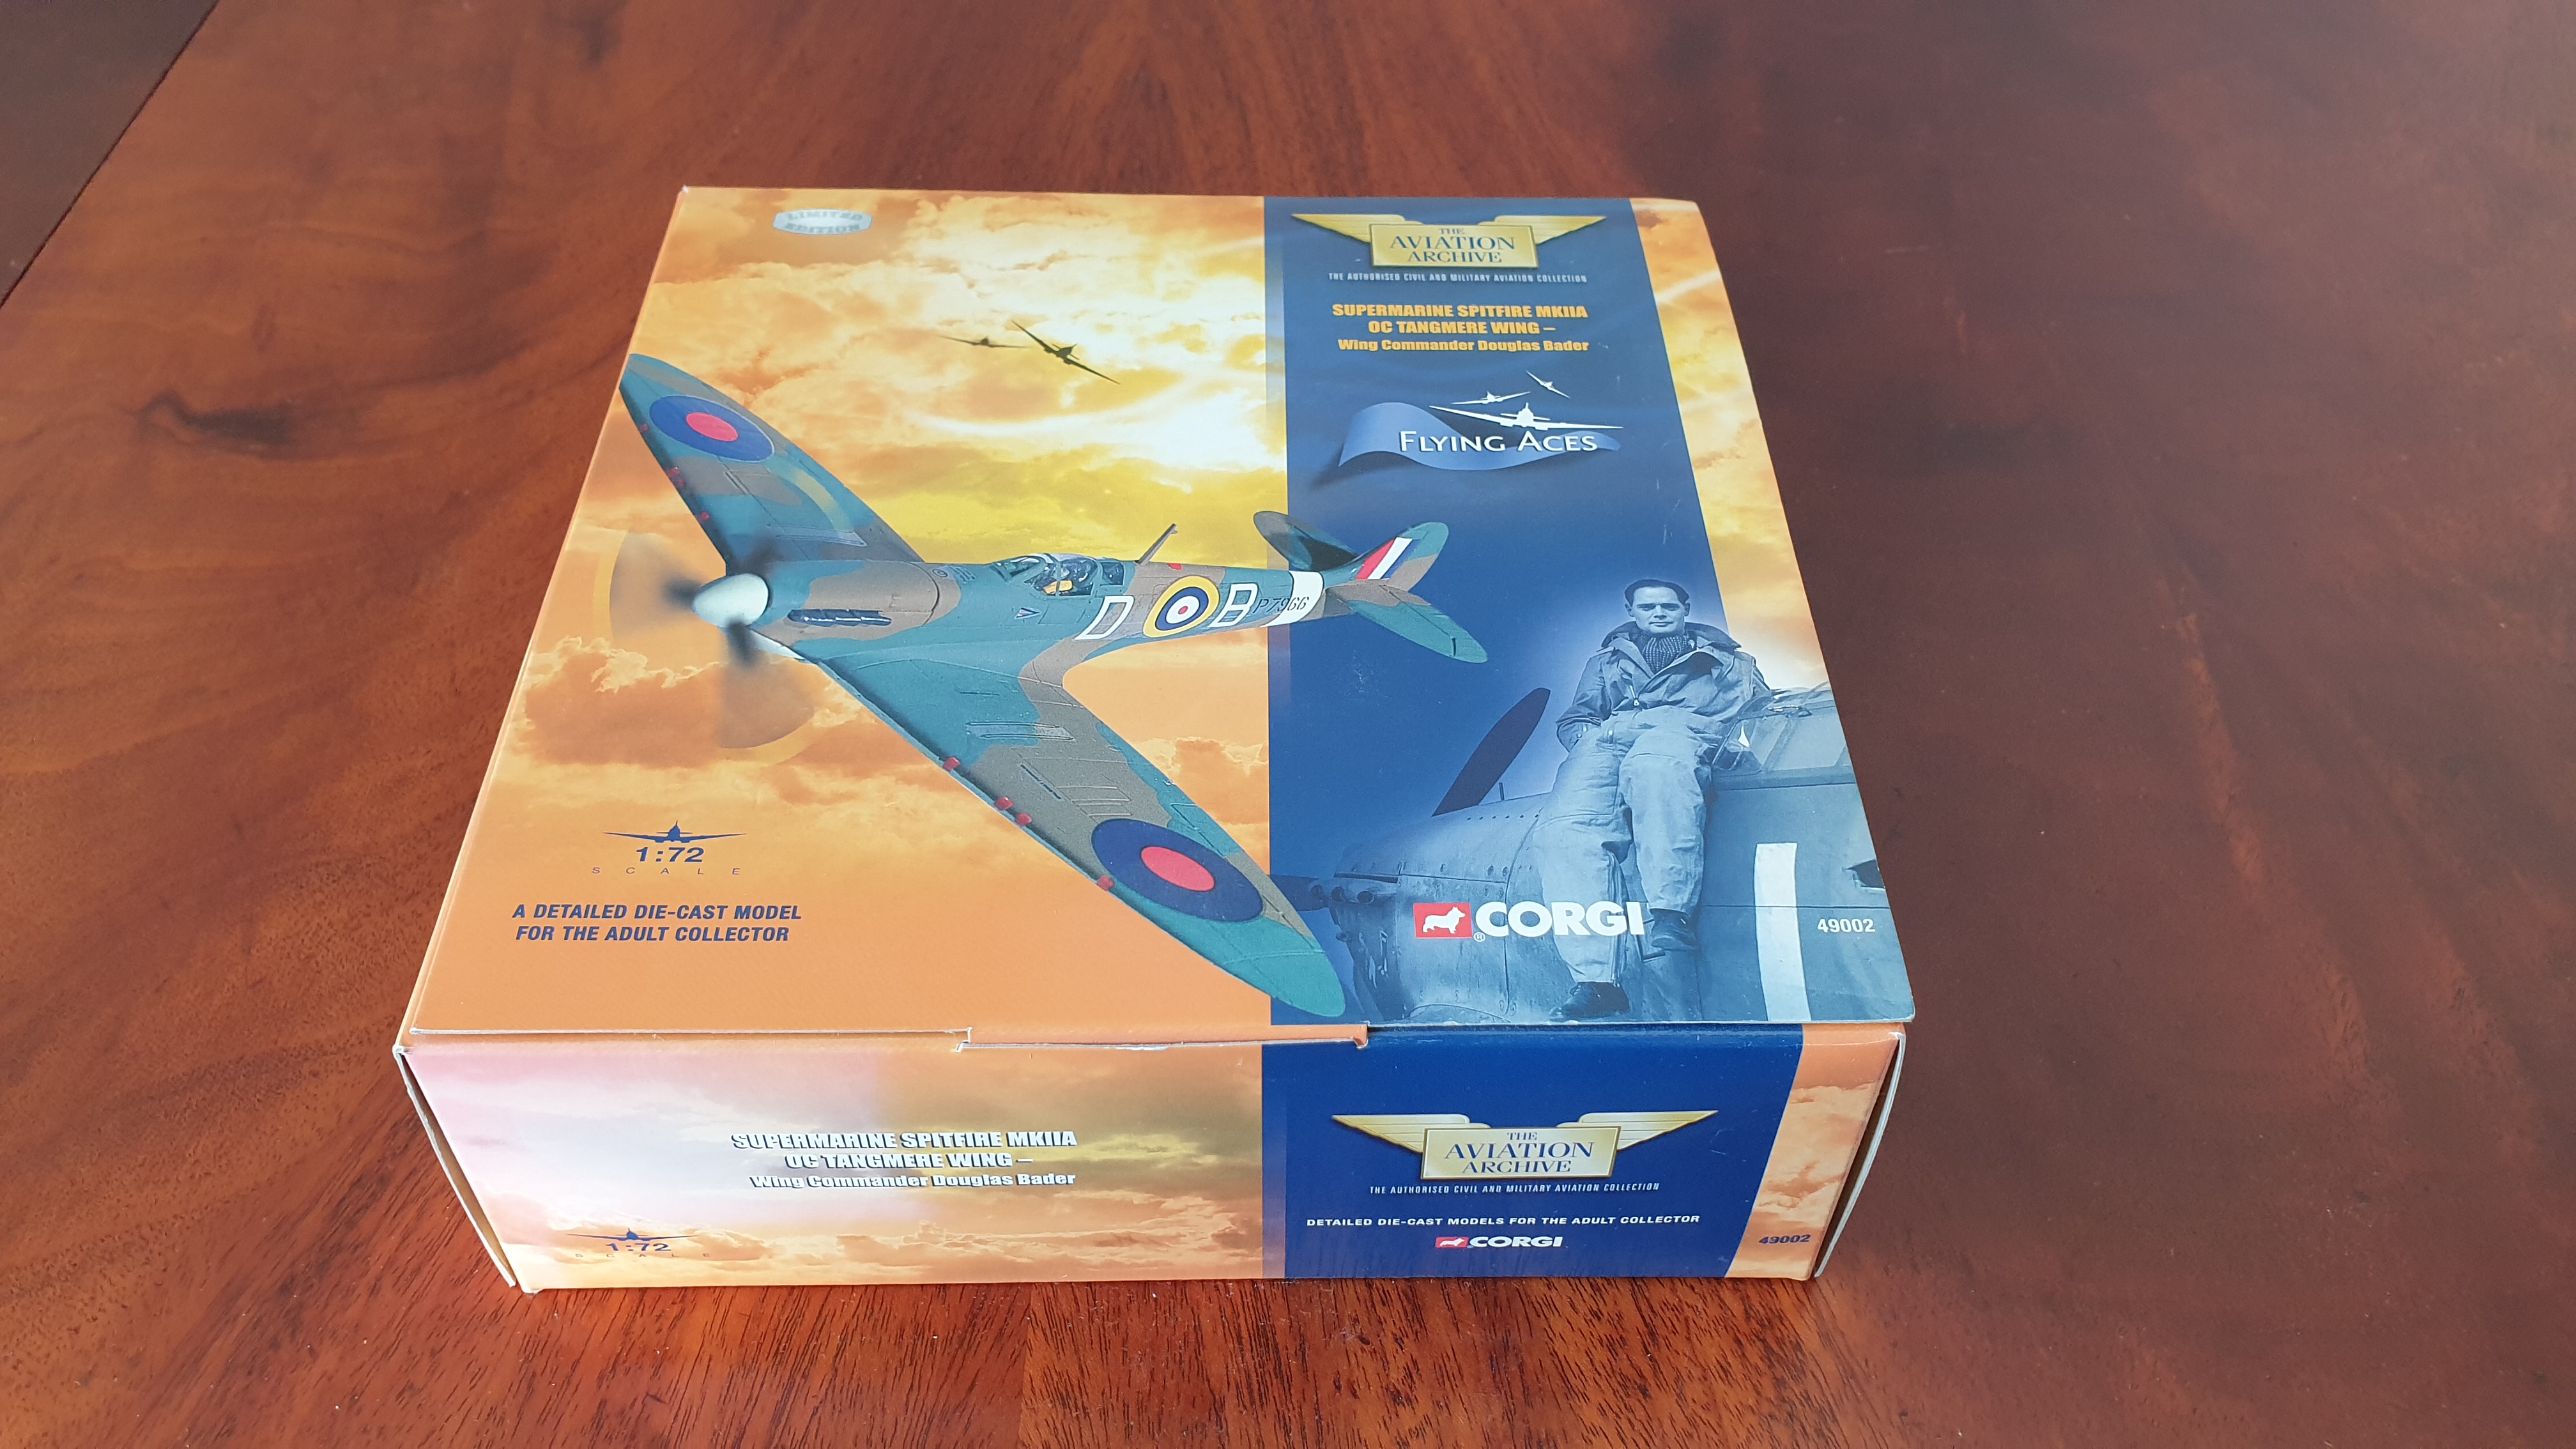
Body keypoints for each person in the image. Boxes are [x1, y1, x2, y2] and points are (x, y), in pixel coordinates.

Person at [1532, 579, 1770, 1020]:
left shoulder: (1732, 662)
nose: (1658, 614)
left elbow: (1764, 714)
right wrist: (1585, 741)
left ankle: (1670, 915)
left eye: (1668, 606)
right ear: (1632, 611)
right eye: (1647, 608)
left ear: (1685, 609)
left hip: (1683, 729)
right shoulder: (1606, 662)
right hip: (1609, 739)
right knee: (1563, 832)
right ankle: (1596, 981)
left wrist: (1737, 753)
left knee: (1656, 770)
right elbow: (1578, 716)